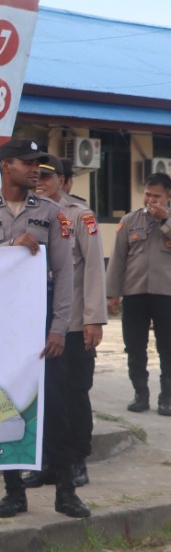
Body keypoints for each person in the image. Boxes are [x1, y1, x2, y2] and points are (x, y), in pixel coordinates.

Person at [0, 137, 82, 519]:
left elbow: (64, 275)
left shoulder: (51, 212)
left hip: (41, 317)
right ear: (5, 166)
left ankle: (66, 491)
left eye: (39, 165)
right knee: (2, 404)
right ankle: (14, 491)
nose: (36, 170)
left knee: (57, 405)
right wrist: (10, 246)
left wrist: (59, 327)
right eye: (28, 163)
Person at [23, 155, 107, 487]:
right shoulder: (29, 214)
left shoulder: (80, 216)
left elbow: (93, 268)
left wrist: (94, 319)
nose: (40, 180)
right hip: (37, 324)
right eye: (36, 175)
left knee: (74, 392)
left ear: (64, 180)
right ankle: (48, 461)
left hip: (73, 323)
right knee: (46, 396)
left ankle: (77, 460)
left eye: (48, 175)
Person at [106, 171, 171, 415]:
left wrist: (165, 221)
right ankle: (140, 395)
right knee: (134, 347)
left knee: (168, 348)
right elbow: (118, 260)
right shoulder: (130, 221)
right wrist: (112, 294)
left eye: (157, 196)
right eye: (147, 194)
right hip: (135, 294)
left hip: (166, 295)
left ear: (168, 196)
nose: (150, 200)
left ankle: (167, 398)